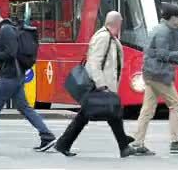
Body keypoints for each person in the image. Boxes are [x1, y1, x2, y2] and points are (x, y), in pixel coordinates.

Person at [0, 4, 56, 151]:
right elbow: (9, 50)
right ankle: (47, 136)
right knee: (24, 108)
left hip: (9, 76)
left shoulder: (5, 30)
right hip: (16, 75)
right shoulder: (6, 28)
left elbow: (11, 53)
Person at [55, 11, 136, 158]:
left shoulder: (111, 38)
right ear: (117, 23)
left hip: (106, 85)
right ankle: (63, 144)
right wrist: (102, 85)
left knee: (114, 114)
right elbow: (94, 63)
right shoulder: (103, 38)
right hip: (99, 85)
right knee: (89, 115)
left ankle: (123, 145)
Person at [132, 3, 178, 155]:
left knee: (147, 109)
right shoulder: (164, 32)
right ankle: (176, 142)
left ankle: (137, 143)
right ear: (171, 17)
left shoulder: (158, 29)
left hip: (151, 73)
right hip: (159, 74)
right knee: (176, 105)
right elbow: (162, 54)